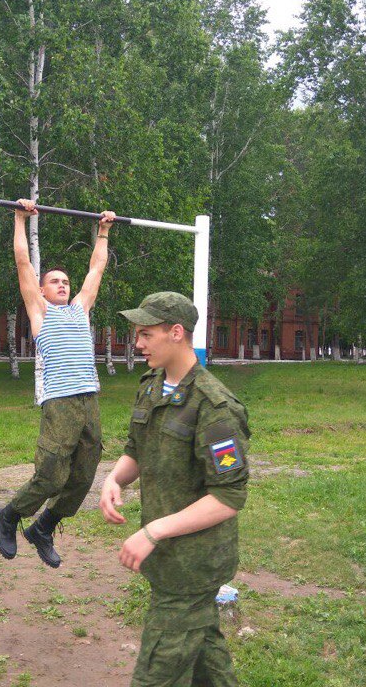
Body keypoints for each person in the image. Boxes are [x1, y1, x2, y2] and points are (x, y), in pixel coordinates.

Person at [99, 292, 250, 687]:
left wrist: (153, 531)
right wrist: (113, 479)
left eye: (146, 334)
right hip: (169, 559)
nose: (138, 343)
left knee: (157, 671)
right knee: (205, 655)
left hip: (194, 564)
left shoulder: (216, 407)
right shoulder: (151, 385)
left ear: (176, 333)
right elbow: (136, 450)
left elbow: (228, 498)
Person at [0, 199, 116, 568]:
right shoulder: (39, 311)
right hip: (60, 401)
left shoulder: (80, 308)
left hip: (88, 399)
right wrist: (19, 219)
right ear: (42, 290)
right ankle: (11, 515)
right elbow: (22, 262)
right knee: (50, 473)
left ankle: (44, 526)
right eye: (55, 281)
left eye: (65, 281)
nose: (62, 285)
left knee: (84, 473)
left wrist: (103, 230)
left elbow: (97, 267)